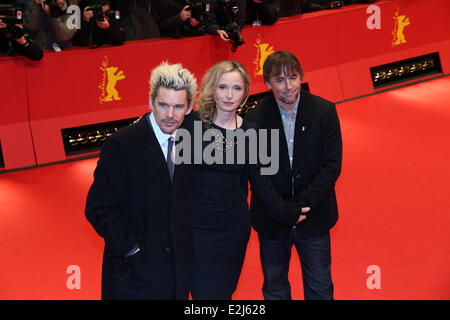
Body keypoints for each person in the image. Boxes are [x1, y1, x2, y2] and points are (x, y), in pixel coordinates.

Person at [183, 60, 305, 300]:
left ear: (245, 93)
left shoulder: (252, 132)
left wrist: (287, 212)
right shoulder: (190, 125)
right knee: (200, 293)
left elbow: (262, 183)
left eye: (237, 88)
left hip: (232, 230)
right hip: (193, 229)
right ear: (211, 88)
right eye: (223, 87)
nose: (229, 95)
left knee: (222, 293)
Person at [85, 61, 197, 299]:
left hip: (178, 271)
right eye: (163, 105)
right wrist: (131, 249)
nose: (170, 115)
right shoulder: (122, 145)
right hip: (134, 275)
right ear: (150, 102)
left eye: (178, 107)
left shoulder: (193, 137)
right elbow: (97, 207)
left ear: (189, 108)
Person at [245, 50, 342, 300]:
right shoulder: (255, 119)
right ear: (267, 83)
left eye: (293, 78)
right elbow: (256, 172)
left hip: (314, 217)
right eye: (279, 80)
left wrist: (300, 206)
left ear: (301, 77)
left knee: (320, 287)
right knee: (275, 288)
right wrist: (281, 210)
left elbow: (331, 166)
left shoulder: (325, 111)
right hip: (272, 220)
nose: (288, 87)